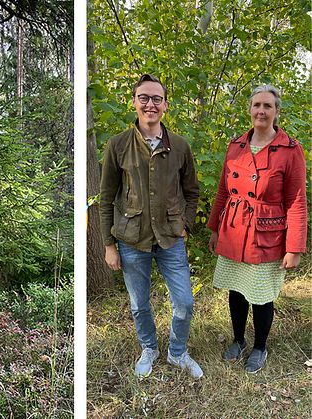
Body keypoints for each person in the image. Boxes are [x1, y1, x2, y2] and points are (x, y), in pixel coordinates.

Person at [99, 74, 203, 379]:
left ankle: (177, 352)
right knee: (139, 304)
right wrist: (108, 245)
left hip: (171, 238)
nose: (150, 104)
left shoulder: (180, 146)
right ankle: (149, 348)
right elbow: (106, 199)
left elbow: (192, 192)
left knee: (184, 301)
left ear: (165, 105)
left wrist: (185, 224)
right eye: (144, 97)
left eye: (156, 98)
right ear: (134, 102)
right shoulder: (118, 145)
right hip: (132, 241)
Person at [207, 85, 307, 374]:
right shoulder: (236, 145)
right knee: (237, 290)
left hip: (267, 234)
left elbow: (297, 202)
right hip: (234, 229)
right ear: (249, 110)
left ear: (276, 112)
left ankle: (259, 347)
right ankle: (238, 340)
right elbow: (223, 192)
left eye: (268, 106)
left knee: (261, 295)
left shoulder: (290, 150)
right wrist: (214, 228)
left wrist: (294, 246)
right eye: (256, 105)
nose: (261, 111)